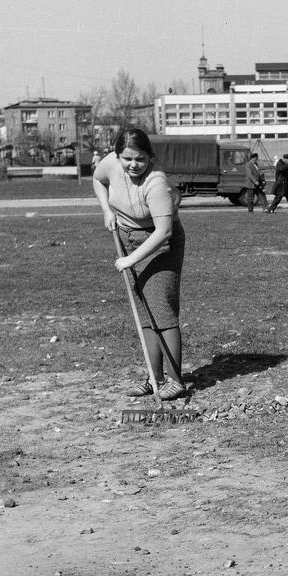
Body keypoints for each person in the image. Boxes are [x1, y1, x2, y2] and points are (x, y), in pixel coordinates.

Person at [93, 127, 187, 401]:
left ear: (150, 157)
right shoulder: (111, 163)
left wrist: (131, 259)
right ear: (117, 155)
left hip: (160, 244)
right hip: (127, 238)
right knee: (145, 312)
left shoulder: (157, 183)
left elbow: (164, 232)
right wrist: (106, 211)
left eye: (140, 159)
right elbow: (98, 180)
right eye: (127, 158)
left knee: (161, 308)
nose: (133, 164)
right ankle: (154, 379)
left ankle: (175, 381)